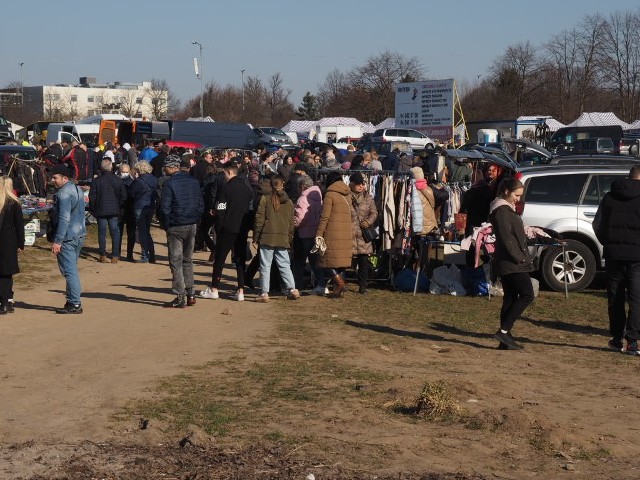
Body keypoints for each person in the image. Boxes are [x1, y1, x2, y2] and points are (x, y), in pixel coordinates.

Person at [593, 164, 640, 355]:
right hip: (637, 256)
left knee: (616, 298)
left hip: (613, 254)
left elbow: (598, 224)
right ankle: (633, 341)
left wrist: (609, 242)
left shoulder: (609, 197)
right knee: (637, 300)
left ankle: (616, 338)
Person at [488, 178, 534, 350]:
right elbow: (507, 239)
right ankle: (504, 330)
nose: (518, 199)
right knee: (526, 295)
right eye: (516, 195)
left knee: (510, 297)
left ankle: (505, 338)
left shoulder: (505, 209)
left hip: (508, 260)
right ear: (506, 191)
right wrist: (520, 258)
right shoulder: (502, 210)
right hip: (511, 261)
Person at [199, 161, 254, 302]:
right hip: (241, 228)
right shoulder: (247, 189)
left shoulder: (226, 188)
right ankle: (241, 290)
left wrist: (217, 219)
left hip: (227, 228)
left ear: (229, 172)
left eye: (224, 173)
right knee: (240, 260)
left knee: (220, 259)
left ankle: (214, 289)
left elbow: (221, 209)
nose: (223, 175)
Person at [159, 154, 204, 308]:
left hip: (176, 225)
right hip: (191, 224)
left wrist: (166, 225)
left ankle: (180, 296)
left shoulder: (169, 183)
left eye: (165, 166)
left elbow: (164, 208)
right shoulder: (193, 182)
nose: (164, 169)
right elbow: (200, 204)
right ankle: (191, 293)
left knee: (176, 262)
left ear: (171, 167)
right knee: (187, 260)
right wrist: (195, 219)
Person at [252, 175, 300, 303]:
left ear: (271, 185)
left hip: (267, 236)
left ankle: (264, 293)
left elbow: (259, 220)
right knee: (285, 264)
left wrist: (255, 238)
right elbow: (291, 224)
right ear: (282, 185)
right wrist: (289, 238)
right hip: (283, 237)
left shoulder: (265, 199)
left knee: (265, 265)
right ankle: (292, 289)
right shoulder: (289, 202)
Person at [50, 164, 87, 314]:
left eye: (55, 177)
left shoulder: (63, 194)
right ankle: (71, 299)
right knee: (71, 269)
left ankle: (75, 303)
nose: (53, 180)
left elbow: (64, 218)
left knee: (69, 271)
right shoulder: (77, 189)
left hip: (68, 237)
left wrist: (58, 241)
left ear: (65, 178)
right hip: (79, 234)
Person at [315, 171, 353, 298]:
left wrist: (319, 233)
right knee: (341, 262)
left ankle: (340, 284)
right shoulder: (347, 194)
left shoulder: (329, 195)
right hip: (346, 231)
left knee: (326, 261)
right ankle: (338, 290)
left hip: (332, 232)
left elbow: (324, 217)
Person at [88, 159, 127, 263]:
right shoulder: (118, 180)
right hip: (114, 209)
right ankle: (115, 255)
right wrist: (119, 206)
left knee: (102, 232)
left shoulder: (97, 181)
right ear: (111, 167)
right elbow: (123, 196)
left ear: (101, 168)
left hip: (101, 209)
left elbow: (92, 197)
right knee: (115, 232)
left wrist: (93, 208)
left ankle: (102, 254)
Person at [348, 172, 378, 294]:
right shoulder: (346, 197)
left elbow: (374, 212)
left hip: (363, 234)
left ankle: (362, 286)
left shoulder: (368, 197)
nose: (361, 186)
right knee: (345, 260)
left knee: (363, 261)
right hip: (349, 233)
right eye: (358, 184)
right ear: (352, 184)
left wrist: (368, 222)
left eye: (362, 184)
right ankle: (340, 282)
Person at [293, 175, 323, 292]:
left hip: (303, 233)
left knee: (299, 261)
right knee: (315, 261)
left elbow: (300, 216)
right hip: (315, 233)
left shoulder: (303, 198)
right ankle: (321, 284)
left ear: (302, 186)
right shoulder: (318, 196)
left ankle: (297, 285)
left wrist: (294, 225)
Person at [0, 176, 24, 314]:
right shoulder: (14, 203)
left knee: (4, 272)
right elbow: (19, 225)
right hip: (9, 239)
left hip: (7, 238)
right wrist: (21, 243)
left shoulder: (11, 203)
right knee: (6, 272)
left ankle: (6, 300)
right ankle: (6, 301)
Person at [129, 160, 158, 263]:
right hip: (150, 206)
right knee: (147, 231)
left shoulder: (138, 181)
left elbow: (131, 193)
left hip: (140, 206)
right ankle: (152, 254)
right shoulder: (154, 179)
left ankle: (145, 255)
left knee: (142, 232)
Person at [117, 163, 136, 262]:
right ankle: (117, 253)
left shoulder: (133, 182)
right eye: (123, 172)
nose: (124, 174)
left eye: (126, 172)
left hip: (130, 209)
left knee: (131, 233)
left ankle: (129, 254)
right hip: (120, 210)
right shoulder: (117, 182)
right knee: (118, 233)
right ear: (119, 171)